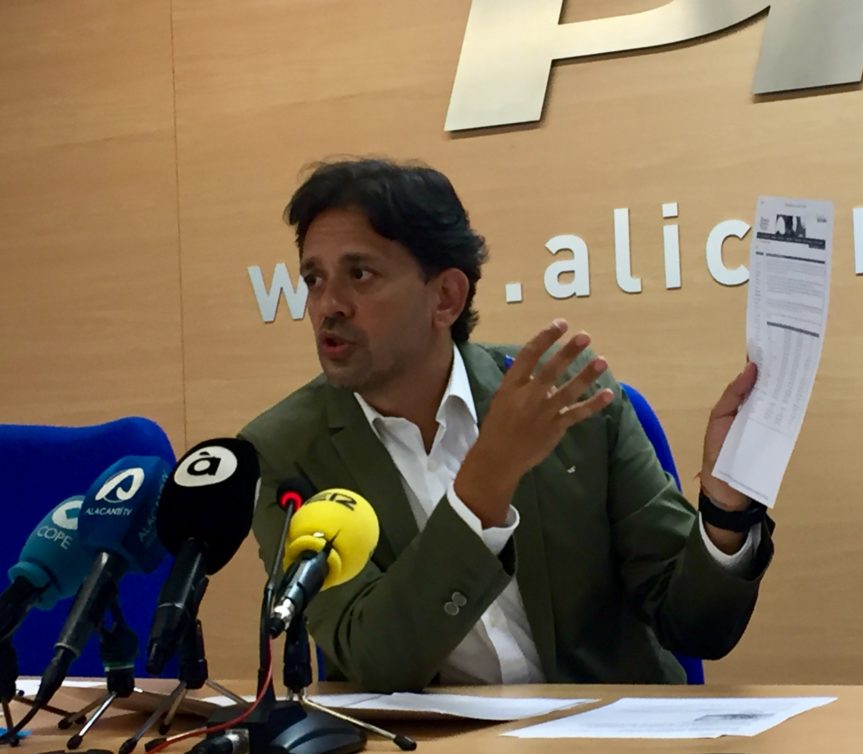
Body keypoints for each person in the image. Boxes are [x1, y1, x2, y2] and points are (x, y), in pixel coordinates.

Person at [241, 158, 775, 692]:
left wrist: (725, 512)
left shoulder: (566, 398)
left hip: (604, 726)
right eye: (314, 279)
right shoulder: (283, 452)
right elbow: (376, 661)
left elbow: (697, 626)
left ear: (445, 297)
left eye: (359, 274)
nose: (328, 305)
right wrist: (486, 482)